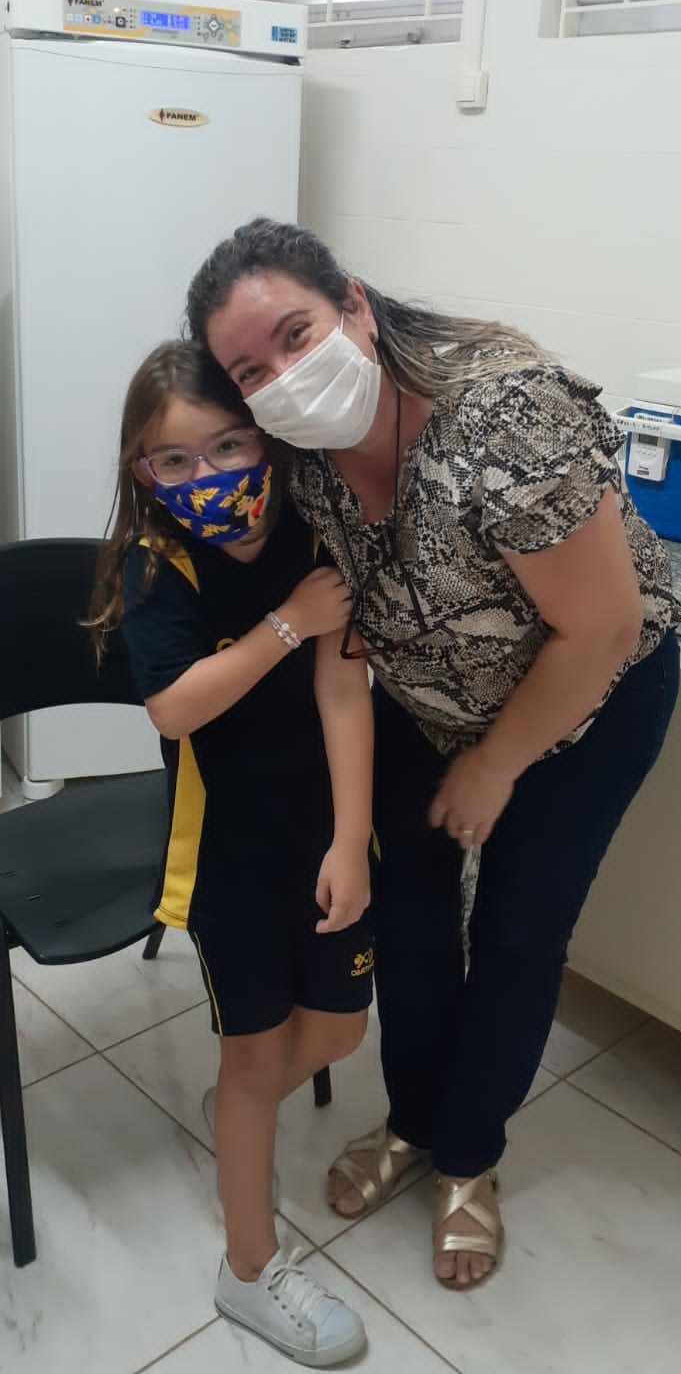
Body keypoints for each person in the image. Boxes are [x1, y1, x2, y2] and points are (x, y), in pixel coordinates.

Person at [185, 219, 681, 1292]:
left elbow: (600, 628)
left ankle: (468, 1156)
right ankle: (413, 1121)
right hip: (426, 702)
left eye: (295, 334)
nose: (282, 377)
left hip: (584, 704)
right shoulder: (298, 457)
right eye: (250, 370)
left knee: (514, 933)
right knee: (404, 922)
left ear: (355, 307)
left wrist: (494, 767)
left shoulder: (505, 415)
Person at [88, 340, 373, 1366]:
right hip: (227, 860)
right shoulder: (157, 564)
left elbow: (344, 689)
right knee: (252, 1057)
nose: (206, 476)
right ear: (143, 471)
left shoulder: (314, 529)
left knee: (338, 1030)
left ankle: (239, 1107)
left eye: (227, 446)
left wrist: (351, 838)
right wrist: (288, 623)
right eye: (175, 460)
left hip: (322, 838)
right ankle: (248, 1270)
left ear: (266, 439)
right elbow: (174, 707)